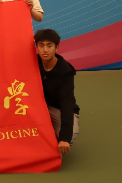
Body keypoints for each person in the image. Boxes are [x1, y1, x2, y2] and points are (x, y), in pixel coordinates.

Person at [34, 28, 80, 156]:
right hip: (38, 106)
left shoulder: (65, 71)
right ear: (37, 47)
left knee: (69, 138)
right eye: (41, 45)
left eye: (49, 46)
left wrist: (64, 138)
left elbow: (67, 103)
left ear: (57, 48)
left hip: (57, 109)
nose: (45, 50)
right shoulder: (33, 62)